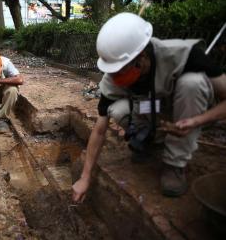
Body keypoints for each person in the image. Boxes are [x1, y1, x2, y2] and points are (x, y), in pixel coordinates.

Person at [72, 13, 226, 201]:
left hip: (184, 110)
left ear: (142, 56)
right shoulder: (114, 75)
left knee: (192, 83)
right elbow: (99, 130)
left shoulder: (184, 56)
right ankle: (150, 141)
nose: (117, 77)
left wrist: (196, 121)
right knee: (117, 109)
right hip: (150, 110)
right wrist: (84, 178)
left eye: (122, 70)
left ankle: (175, 163)